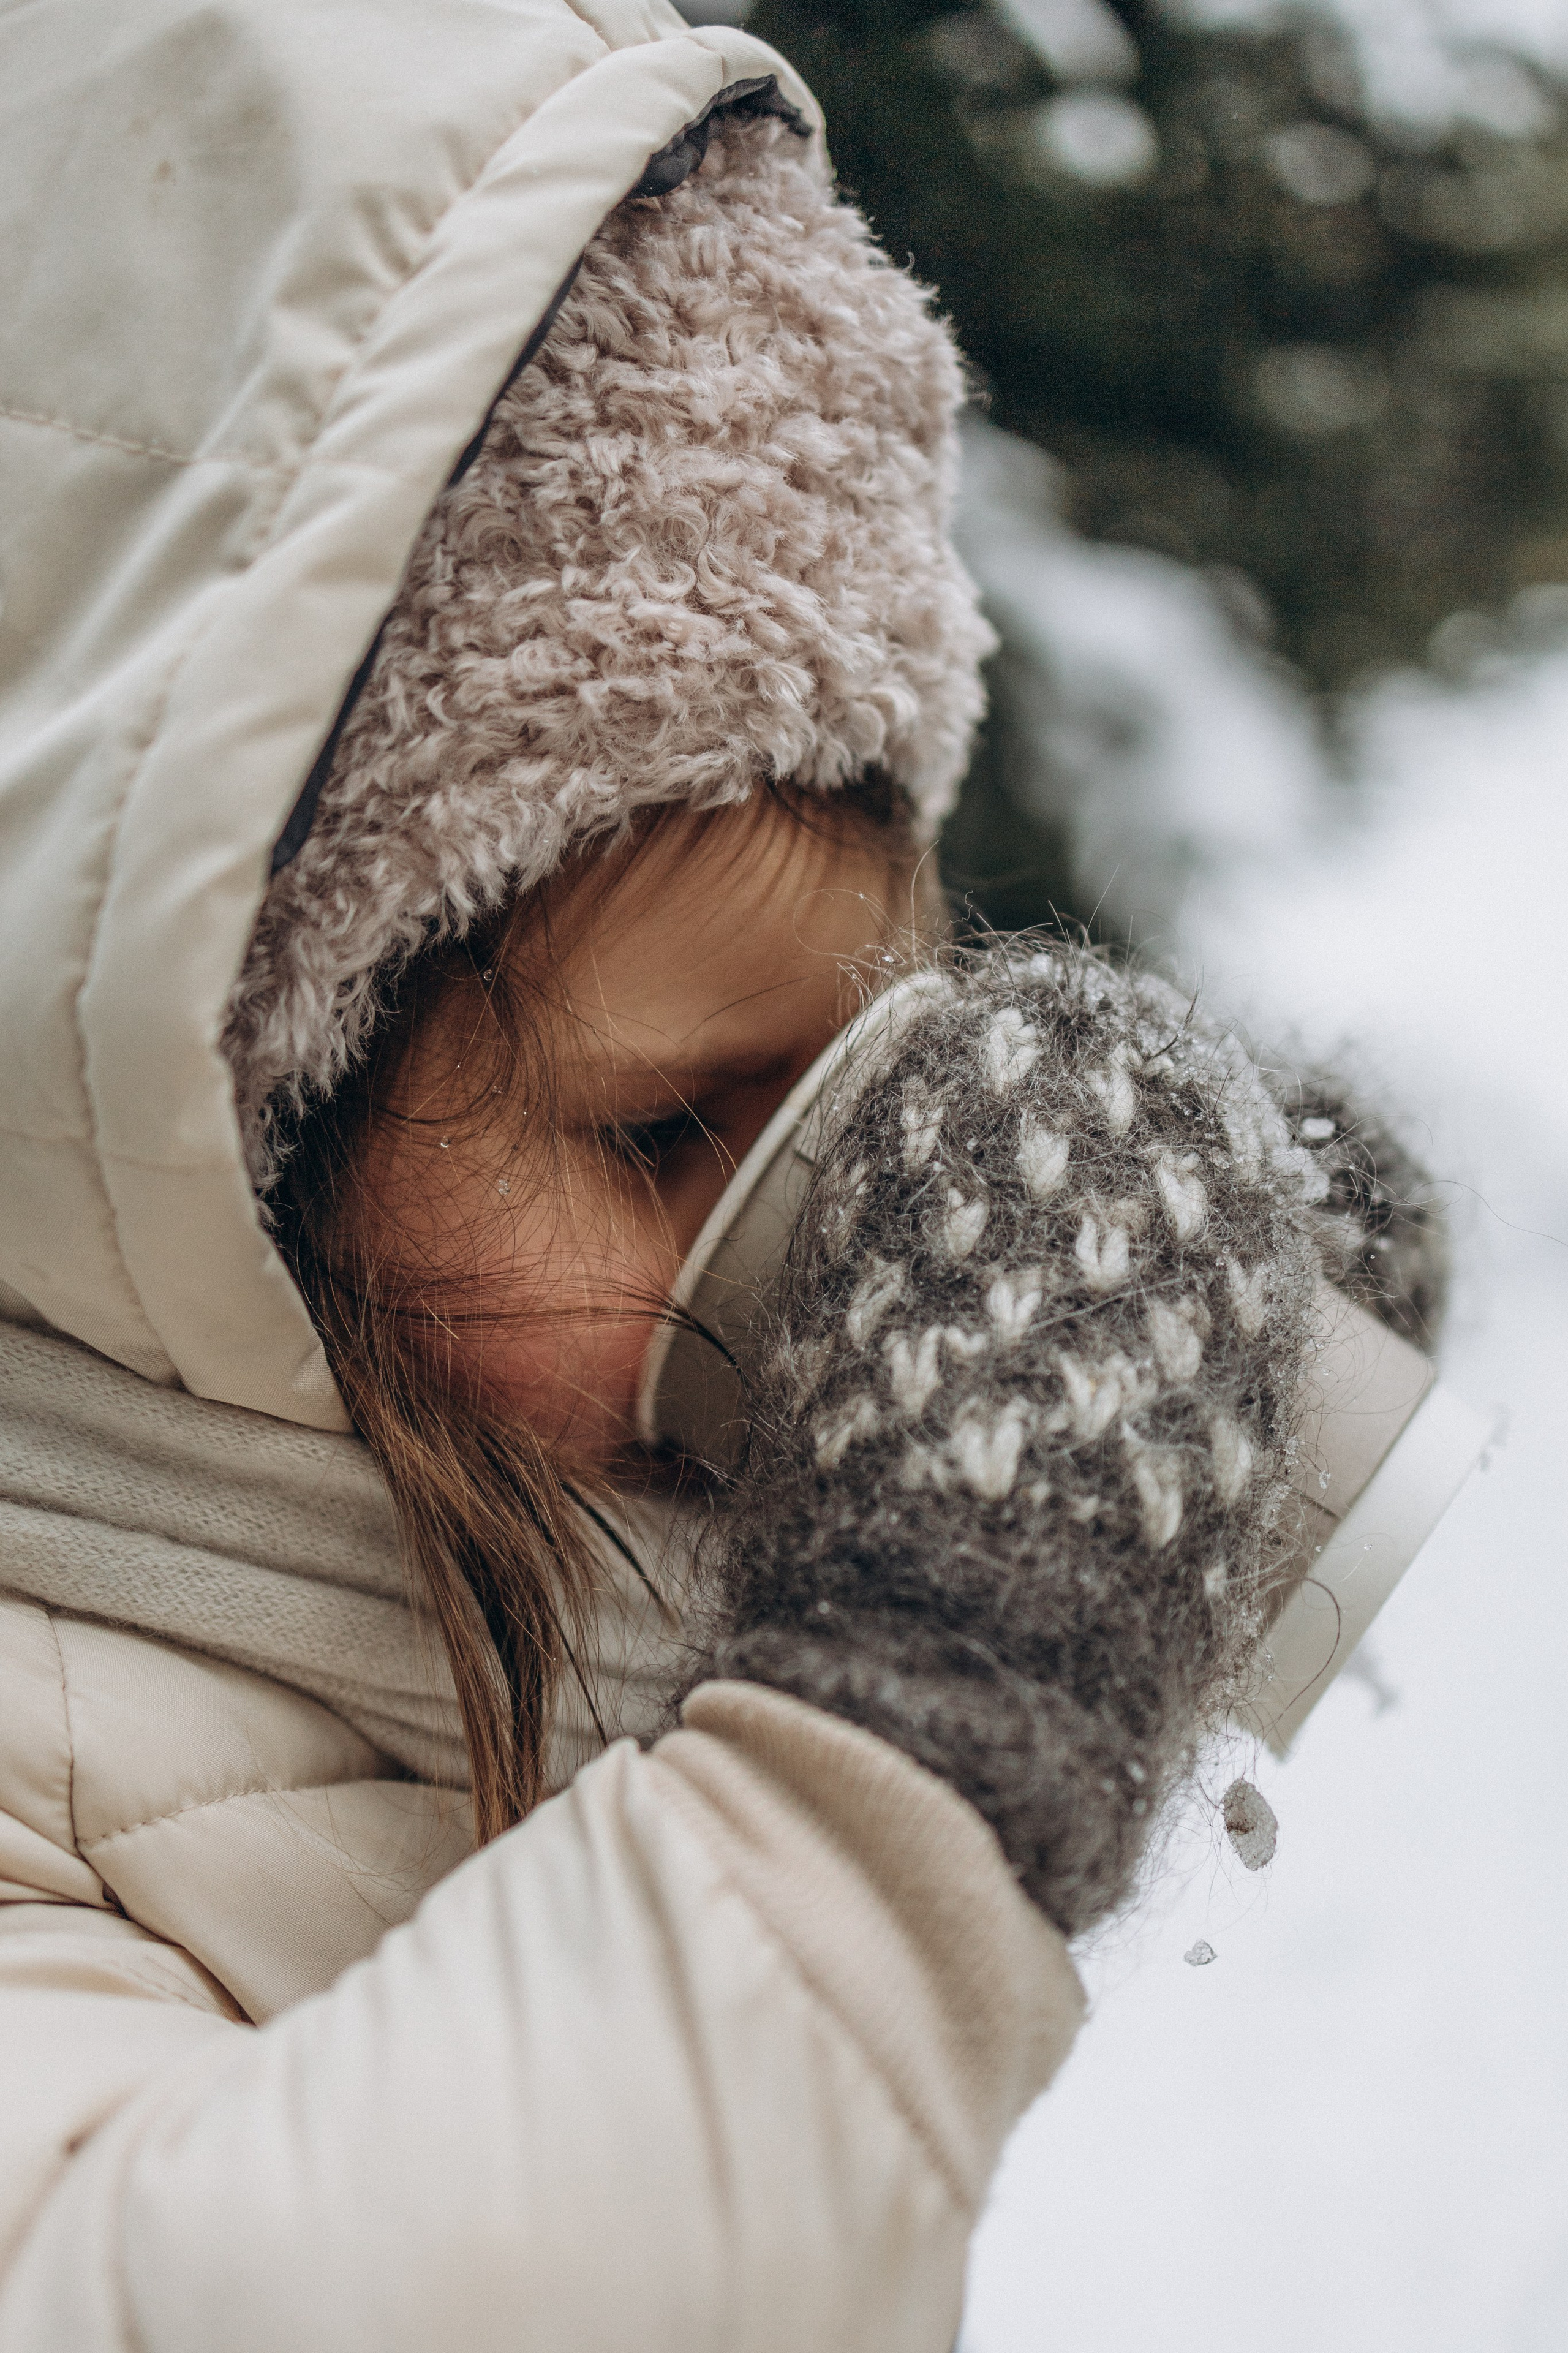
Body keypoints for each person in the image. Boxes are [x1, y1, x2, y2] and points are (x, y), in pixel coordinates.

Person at [0, 2, 1446, 2344]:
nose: (788, 1243)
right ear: (157, 1127)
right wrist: (932, 1712)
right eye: (670, 1126)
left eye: (849, 1086)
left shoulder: (365, 1503)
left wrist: (1165, 1377)